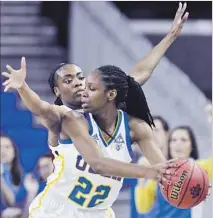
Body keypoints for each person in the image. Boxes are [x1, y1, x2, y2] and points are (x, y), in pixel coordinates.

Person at [1, 4, 189, 217]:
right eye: (69, 80)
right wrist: (23, 87)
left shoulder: (130, 124)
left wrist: (171, 37)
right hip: (59, 210)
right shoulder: (67, 118)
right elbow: (40, 108)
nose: (79, 84)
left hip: (97, 212)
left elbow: (140, 73)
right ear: (57, 90)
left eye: (83, 79)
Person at [134, 126, 212, 218]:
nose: (178, 144)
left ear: (192, 146)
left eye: (183, 140)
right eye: (173, 140)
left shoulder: (200, 168)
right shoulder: (161, 172)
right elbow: (143, 208)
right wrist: (142, 175)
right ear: (169, 145)